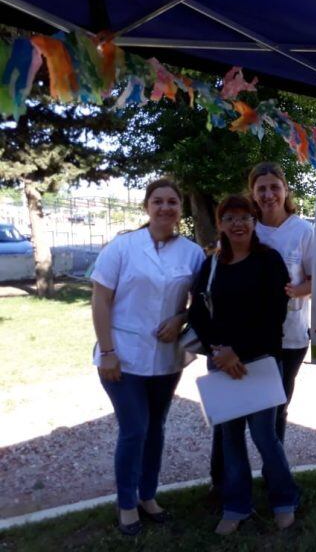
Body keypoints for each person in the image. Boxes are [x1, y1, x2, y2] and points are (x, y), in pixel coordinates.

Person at [91, 178, 204, 536]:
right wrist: (107, 351)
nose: (165, 207)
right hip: (121, 358)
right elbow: (100, 299)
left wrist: (181, 317)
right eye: (158, 201)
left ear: (180, 210)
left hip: (167, 359)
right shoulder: (122, 247)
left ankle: (148, 496)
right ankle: (127, 504)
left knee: (155, 429)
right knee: (135, 428)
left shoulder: (192, 253)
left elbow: (200, 303)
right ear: (147, 207)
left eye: (173, 201)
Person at [188, 195, 300, 536]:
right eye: (230, 218)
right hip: (220, 362)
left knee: (266, 438)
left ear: (254, 222)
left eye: (245, 217)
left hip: (260, 362)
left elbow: (273, 317)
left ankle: (284, 499)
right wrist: (218, 350)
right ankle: (236, 505)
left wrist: (237, 352)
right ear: (220, 224)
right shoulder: (210, 266)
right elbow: (197, 313)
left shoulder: (269, 261)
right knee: (231, 438)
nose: (238, 223)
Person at [249, 162, 313, 442]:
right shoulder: (246, 228)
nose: (268, 194)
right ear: (252, 194)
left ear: (286, 190)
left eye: (274, 187)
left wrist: (296, 291)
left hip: (291, 336)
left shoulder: (303, 231)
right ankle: (227, 475)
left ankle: (273, 472)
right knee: (241, 405)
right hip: (249, 334)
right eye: (261, 188)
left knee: (278, 404)